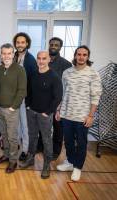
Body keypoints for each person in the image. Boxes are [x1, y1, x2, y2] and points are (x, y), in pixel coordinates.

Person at [56, 45, 102, 181]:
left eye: (84, 55)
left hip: (83, 117)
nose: (81, 57)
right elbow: (62, 93)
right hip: (67, 114)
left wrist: (91, 115)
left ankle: (77, 167)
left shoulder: (93, 74)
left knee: (81, 143)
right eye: (79, 54)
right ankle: (70, 162)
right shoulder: (67, 72)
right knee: (68, 142)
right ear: (75, 56)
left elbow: (96, 96)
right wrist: (59, 109)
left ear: (87, 57)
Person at [20, 51, 62, 179]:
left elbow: (58, 97)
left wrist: (48, 112)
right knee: (32, 137)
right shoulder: (33, 75)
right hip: (31, 112)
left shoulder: (54, 77)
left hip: (45, 115)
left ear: (49, 59)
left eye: (44, 58)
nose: (41, 61)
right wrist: (27, 106)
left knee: (46, 140)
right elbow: (28, 92)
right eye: (39, 58)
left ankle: (46, 165)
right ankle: (30, 158)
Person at [0, 43, 27, 173]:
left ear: (13, 55)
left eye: (9, 53)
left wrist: (13, 107)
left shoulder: (20, 70)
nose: (6, 56)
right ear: (1, 55)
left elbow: (22, 90)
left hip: (12, 109)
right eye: (4, 53)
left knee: (13, 137)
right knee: (4, 134)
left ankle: (13, 161)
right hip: (0, 108)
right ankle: (6, 155)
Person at [12, 32, 38, 161]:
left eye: (22, 42)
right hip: (13, 98)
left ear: (27, 43)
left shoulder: (31, 60)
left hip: (24, 99)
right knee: (15, 125)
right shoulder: (13, 56)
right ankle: (16, 147)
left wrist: (30, 102)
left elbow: (33, 83)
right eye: (18, 42)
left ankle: (25, 150)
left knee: (25, 126)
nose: (20, 45)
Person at [48, 37, 72, 160]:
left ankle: (56, 151)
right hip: (44, 100)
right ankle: (41, 146)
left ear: (60, 47)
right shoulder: (43, 60)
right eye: (51, 44)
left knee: (58, 128)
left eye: (56, 45)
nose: (53, 46)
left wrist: (62, 103)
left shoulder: (66, 64)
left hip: (58, 101)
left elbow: (68, 85)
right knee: (44, 125)